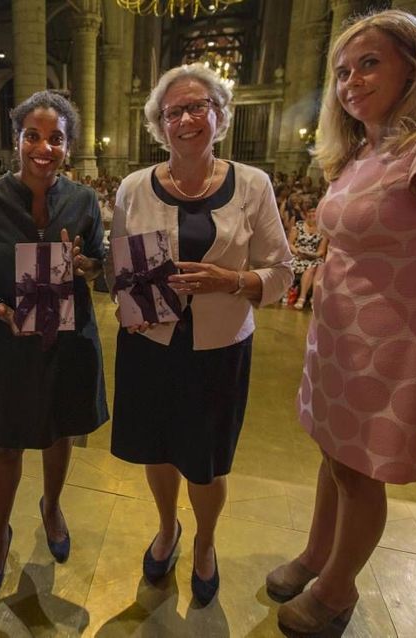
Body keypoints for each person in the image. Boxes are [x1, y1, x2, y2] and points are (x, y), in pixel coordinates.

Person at [266, 10, 416, 634]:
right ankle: (318, 555)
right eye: (343, 71)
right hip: (339, 337)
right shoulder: (362, 152)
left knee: (360, 470)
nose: (351, 82)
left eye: (370, 63)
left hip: (396, 341)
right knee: (332, 453)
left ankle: (337, 592)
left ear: (414, 66)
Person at [108, 63, 293, 606]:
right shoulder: (133, 187)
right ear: (159, 125)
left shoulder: (253, 184)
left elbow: (282, 272)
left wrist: (233, 280)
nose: (186, 119)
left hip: (219, 349)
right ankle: (168, 528)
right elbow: (122, 269)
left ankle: (207, 544)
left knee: (206, 460)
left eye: (198, 107)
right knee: (158, 450)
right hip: (150, 345)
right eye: (174, 112)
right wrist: (128, 307)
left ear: (219, 116)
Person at [0, 90, 108, 599]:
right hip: (13, 338)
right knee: (6, 443)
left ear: (69, 146)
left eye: (56, 138)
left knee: (61, 430)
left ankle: (51, 505)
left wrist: (86, 264)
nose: (44, 147)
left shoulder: (84, 200)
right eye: (33, 136)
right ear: (17, 140)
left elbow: (98, 262)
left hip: (69, 336)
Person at [287, 198, 327, 310]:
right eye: (310, 212)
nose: (312, 214)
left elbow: (321, 251)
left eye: (314, 212)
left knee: (317, 266)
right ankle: (303, 298)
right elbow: (290, 244)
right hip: (298, 255)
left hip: (314, 257)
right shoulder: (298, 226)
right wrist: (298, 252)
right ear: (306, 213)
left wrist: (312, 255)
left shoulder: (323, 230)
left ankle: (313, 299)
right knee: (310, 267)